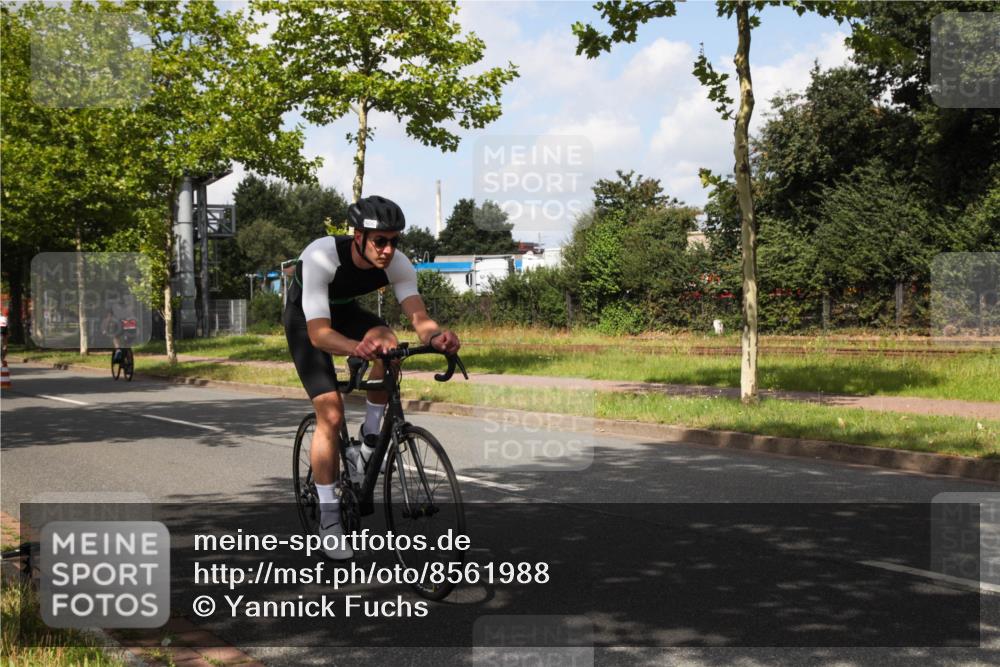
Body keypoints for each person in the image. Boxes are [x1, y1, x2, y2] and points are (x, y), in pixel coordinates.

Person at [283, 195, 460, 561]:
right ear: (358, 236)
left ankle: (367, 444)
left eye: (395, 240)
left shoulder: (398, 264)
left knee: (390, 346)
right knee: (330, 415)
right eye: (380, 241)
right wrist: (353, 347)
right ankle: (329, 520)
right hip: (308, 322)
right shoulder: (321, 255)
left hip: (346, 314)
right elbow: (318, 334)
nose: (388, 249)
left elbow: (418, 316)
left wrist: (436, 336)